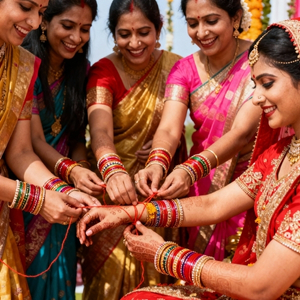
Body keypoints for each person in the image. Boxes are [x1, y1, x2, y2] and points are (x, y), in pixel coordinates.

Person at [78, 18, 300, 299]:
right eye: (254, 85)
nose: (256, 98)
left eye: (267, 84)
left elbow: (261, 287)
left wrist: (165, 255)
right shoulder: (278, 155)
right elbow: (214, 204)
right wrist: (128, 212)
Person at [135, 0, 262, 261]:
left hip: (253, 187)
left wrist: (189, 169)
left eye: (211, 21)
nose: (201, 32)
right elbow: (170, 129)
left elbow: (242, 132)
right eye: (193, 24)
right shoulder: (184, 69)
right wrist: (156, 164)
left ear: (235, 18)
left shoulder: (260, 60)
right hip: (202, 190)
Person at [82, 0, 186, 298]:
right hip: (109, 190)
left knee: (157, 276)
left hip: (158, 189)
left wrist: (165, 150)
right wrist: (114, 171)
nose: (135, 42)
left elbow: (171, 127)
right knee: (106, 281)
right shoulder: (103, 71)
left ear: (159, 30)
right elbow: (99, 131)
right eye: (124, 34)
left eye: (144, 32)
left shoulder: (175, 67)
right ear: (113, 35)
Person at [0, 0, 97, 298]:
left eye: (39, 11)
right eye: (25, 6)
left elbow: (20, 152)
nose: (32, 21)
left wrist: (64, 191)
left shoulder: (22, 64)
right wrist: (38, 200)